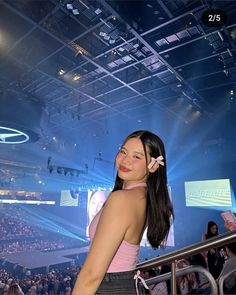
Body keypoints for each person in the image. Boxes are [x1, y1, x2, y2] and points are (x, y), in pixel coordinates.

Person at [72, 130, 174, 295]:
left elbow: (91, 275)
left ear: (153, 165)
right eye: (123, 151)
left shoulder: (123, 199)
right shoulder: (143, 197)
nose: (126, 160)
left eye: (137, 156)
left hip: (108, 287)